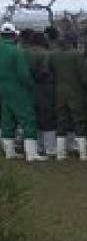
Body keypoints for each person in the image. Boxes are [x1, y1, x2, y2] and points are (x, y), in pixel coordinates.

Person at [0, 23, 46, 161]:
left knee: (7, 119)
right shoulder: (17, 52)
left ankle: (9, 152)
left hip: (2, 88)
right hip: (18, 88)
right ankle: (31, 154)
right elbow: (23, 74)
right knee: (28, 119)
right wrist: (31, 86)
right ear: (14, 35)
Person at [49, 33, 87, 160]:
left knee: (61, 120)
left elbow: (49, 72)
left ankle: (60, 153)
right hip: (75, 91)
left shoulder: (53, 55)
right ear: (72, 42)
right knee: (79, 120)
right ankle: (82, 153)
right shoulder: (77, 55)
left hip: (59, 91)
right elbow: (83, 74)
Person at [28, 31, 57, 156]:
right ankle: (50, 147)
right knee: (48, 117)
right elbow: (45, 72)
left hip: (30, 88)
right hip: (45, 88)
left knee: (35, 117)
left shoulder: (25, 52)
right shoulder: (45, 54)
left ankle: (38, 146)